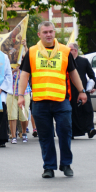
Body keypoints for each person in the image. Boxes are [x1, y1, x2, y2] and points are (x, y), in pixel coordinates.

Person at [18, 21, 87, 178]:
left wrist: (82, 91)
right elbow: (24, 74)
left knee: (64, 131)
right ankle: (48, 167)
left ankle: (66, 164)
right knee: (45, 136)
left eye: (51, 31)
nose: (48, 34)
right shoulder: (32, 52)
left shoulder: (64, 50)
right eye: (45, 32)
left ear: (54, 32)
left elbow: (73, 72)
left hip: (61, 100)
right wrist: (21, 95)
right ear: (39, 35)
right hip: (40, 101)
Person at [68, 43, 96, 138]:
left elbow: (91, 75)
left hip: (83, 90)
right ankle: (72, 131)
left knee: (87, 110)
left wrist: (94, 86)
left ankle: (90, 129)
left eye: (69, 50)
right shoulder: (66, 61)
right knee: (72, 111)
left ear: (75, 51)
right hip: (70, 90)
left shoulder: (84, 61)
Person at [7, 61, 32, 144]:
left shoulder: (26, 63)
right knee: (12, 115)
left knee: (23, 115)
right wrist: (13, 71)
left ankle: (24, 132)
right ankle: (13, 136)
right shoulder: (9, 63)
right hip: (12, 92)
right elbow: (4, 76)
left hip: (24, 92)